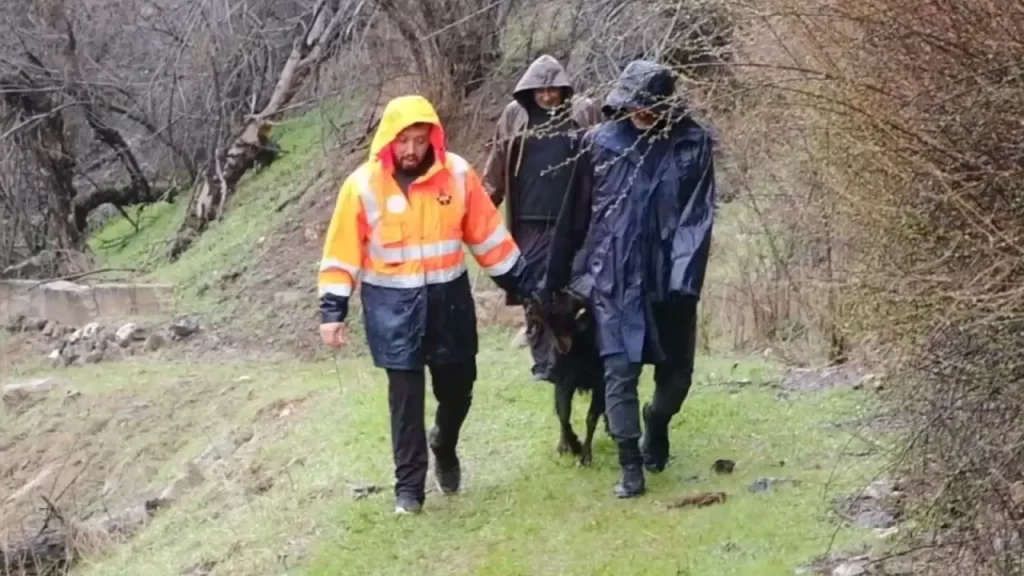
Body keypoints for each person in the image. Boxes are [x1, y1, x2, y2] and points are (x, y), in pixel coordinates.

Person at [317, 94, 539, 515]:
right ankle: (409, 491)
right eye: (404, 141)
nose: (412, 150)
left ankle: (445, 443)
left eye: (420, 140)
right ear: (389, 140)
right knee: (405, 402)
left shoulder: (457, 175)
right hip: (392, 311)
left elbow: (489, 237)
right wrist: (332, 312)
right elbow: (341, 253)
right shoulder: (362, 186)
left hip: (448, 305)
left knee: (459, 389)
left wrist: (526, 285)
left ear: (432, 138)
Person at [542, 60, 717, 498]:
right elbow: (574, 216)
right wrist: (555, 279)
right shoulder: (599, 143)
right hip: (615, 276)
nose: (641, 112)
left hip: (670, 281)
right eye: (634, 103)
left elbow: (698, 215)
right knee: (619, 370)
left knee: (676, 378)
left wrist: (683, 280)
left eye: (649, 105)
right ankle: (630, 466)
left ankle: (656, 421)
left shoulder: (692, 144)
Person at [482, 54, 601, 382]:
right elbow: (497, 164)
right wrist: (482, 207)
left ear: (564, 88)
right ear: (529, 90)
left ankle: (572, 355)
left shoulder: (583, 112)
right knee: (533, 291)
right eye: (541, 90)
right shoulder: (514, 115)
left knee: (572, 289)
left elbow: (601, 159)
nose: (547, 96)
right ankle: (542, 362)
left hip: (573, 220)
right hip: (529, 221)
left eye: (553, 90)